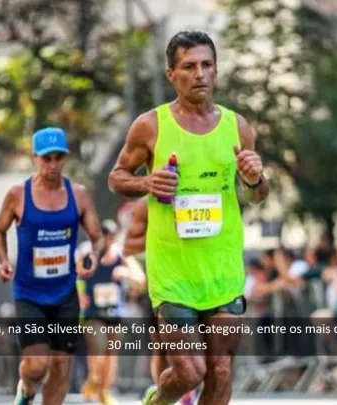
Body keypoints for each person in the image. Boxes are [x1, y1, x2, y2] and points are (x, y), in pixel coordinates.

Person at [108, 30, 269, 405]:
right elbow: (116, 178)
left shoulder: (238, 127)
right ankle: (156, 401)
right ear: (171, 74)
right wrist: (149, 181)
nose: (200, 74)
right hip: (174, 273)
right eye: (189, 66)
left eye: (207, 65)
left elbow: (257, 196)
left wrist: (256, 178)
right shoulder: (151, 125)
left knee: (221, 369)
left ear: (216, 70)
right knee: (189, 372)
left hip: (222, 270)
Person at [0, 127, 105, 405]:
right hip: (29, 295)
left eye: (58, 158)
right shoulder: (18, 195)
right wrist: (3, 260)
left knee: (60, 366)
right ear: (35, 158)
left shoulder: (78, 195)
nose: (53, 165)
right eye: (46, 159)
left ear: (65, 157)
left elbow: (98, 237)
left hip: (65, 295)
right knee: (37, 365)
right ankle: (26, 392)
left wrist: (93, 255)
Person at [122, 198, 197, 405]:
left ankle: (186, 390)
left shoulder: (194, 201)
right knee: (161, 348)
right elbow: (128, 249)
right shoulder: (148, 205)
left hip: (188, 283)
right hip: (157, 289)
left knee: (191, 343)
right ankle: (163, 393)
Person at [77, 219, 146, 405]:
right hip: (93, 312)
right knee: (98, 345)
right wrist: (79, 292)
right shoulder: (87, 253)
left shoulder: (121, 255)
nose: (106, 242)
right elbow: (71, 275)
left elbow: (141, 281)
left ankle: (102, 390)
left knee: (110, 353)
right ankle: (94, 379)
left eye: (110, 238)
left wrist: (126, 274)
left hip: (114, 312)